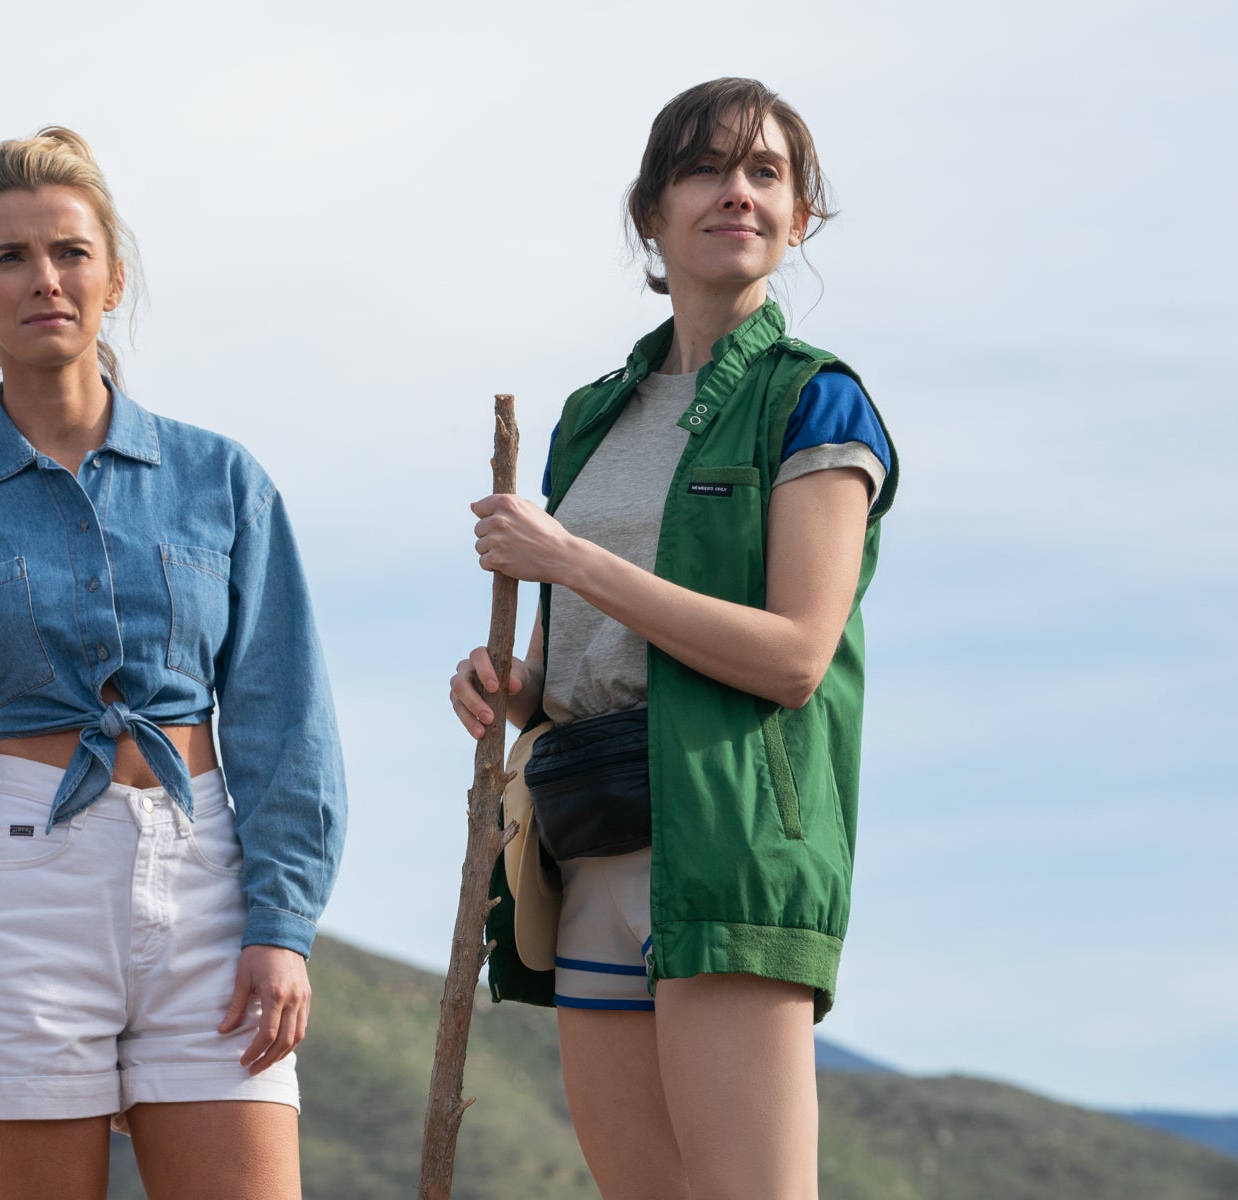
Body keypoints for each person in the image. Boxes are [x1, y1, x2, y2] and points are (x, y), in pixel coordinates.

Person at [0, 127, 345, 1200]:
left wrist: (284, 923)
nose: (44, 280)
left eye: (69, 251)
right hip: (22, 890)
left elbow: (285, 715)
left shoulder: (222, 481)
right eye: (9, 258)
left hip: (207, 876)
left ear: (113, 275)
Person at [448, 78, 898, 1200]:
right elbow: (583, 651)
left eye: (765, 173)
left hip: (734, 839)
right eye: (704, 169)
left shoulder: (817, 403)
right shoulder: (591, 416)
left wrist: (572, 560)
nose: (735, 194)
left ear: (801, 218)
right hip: (592, 834)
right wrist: (510, 682)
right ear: (651, 212)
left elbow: (795, 655)